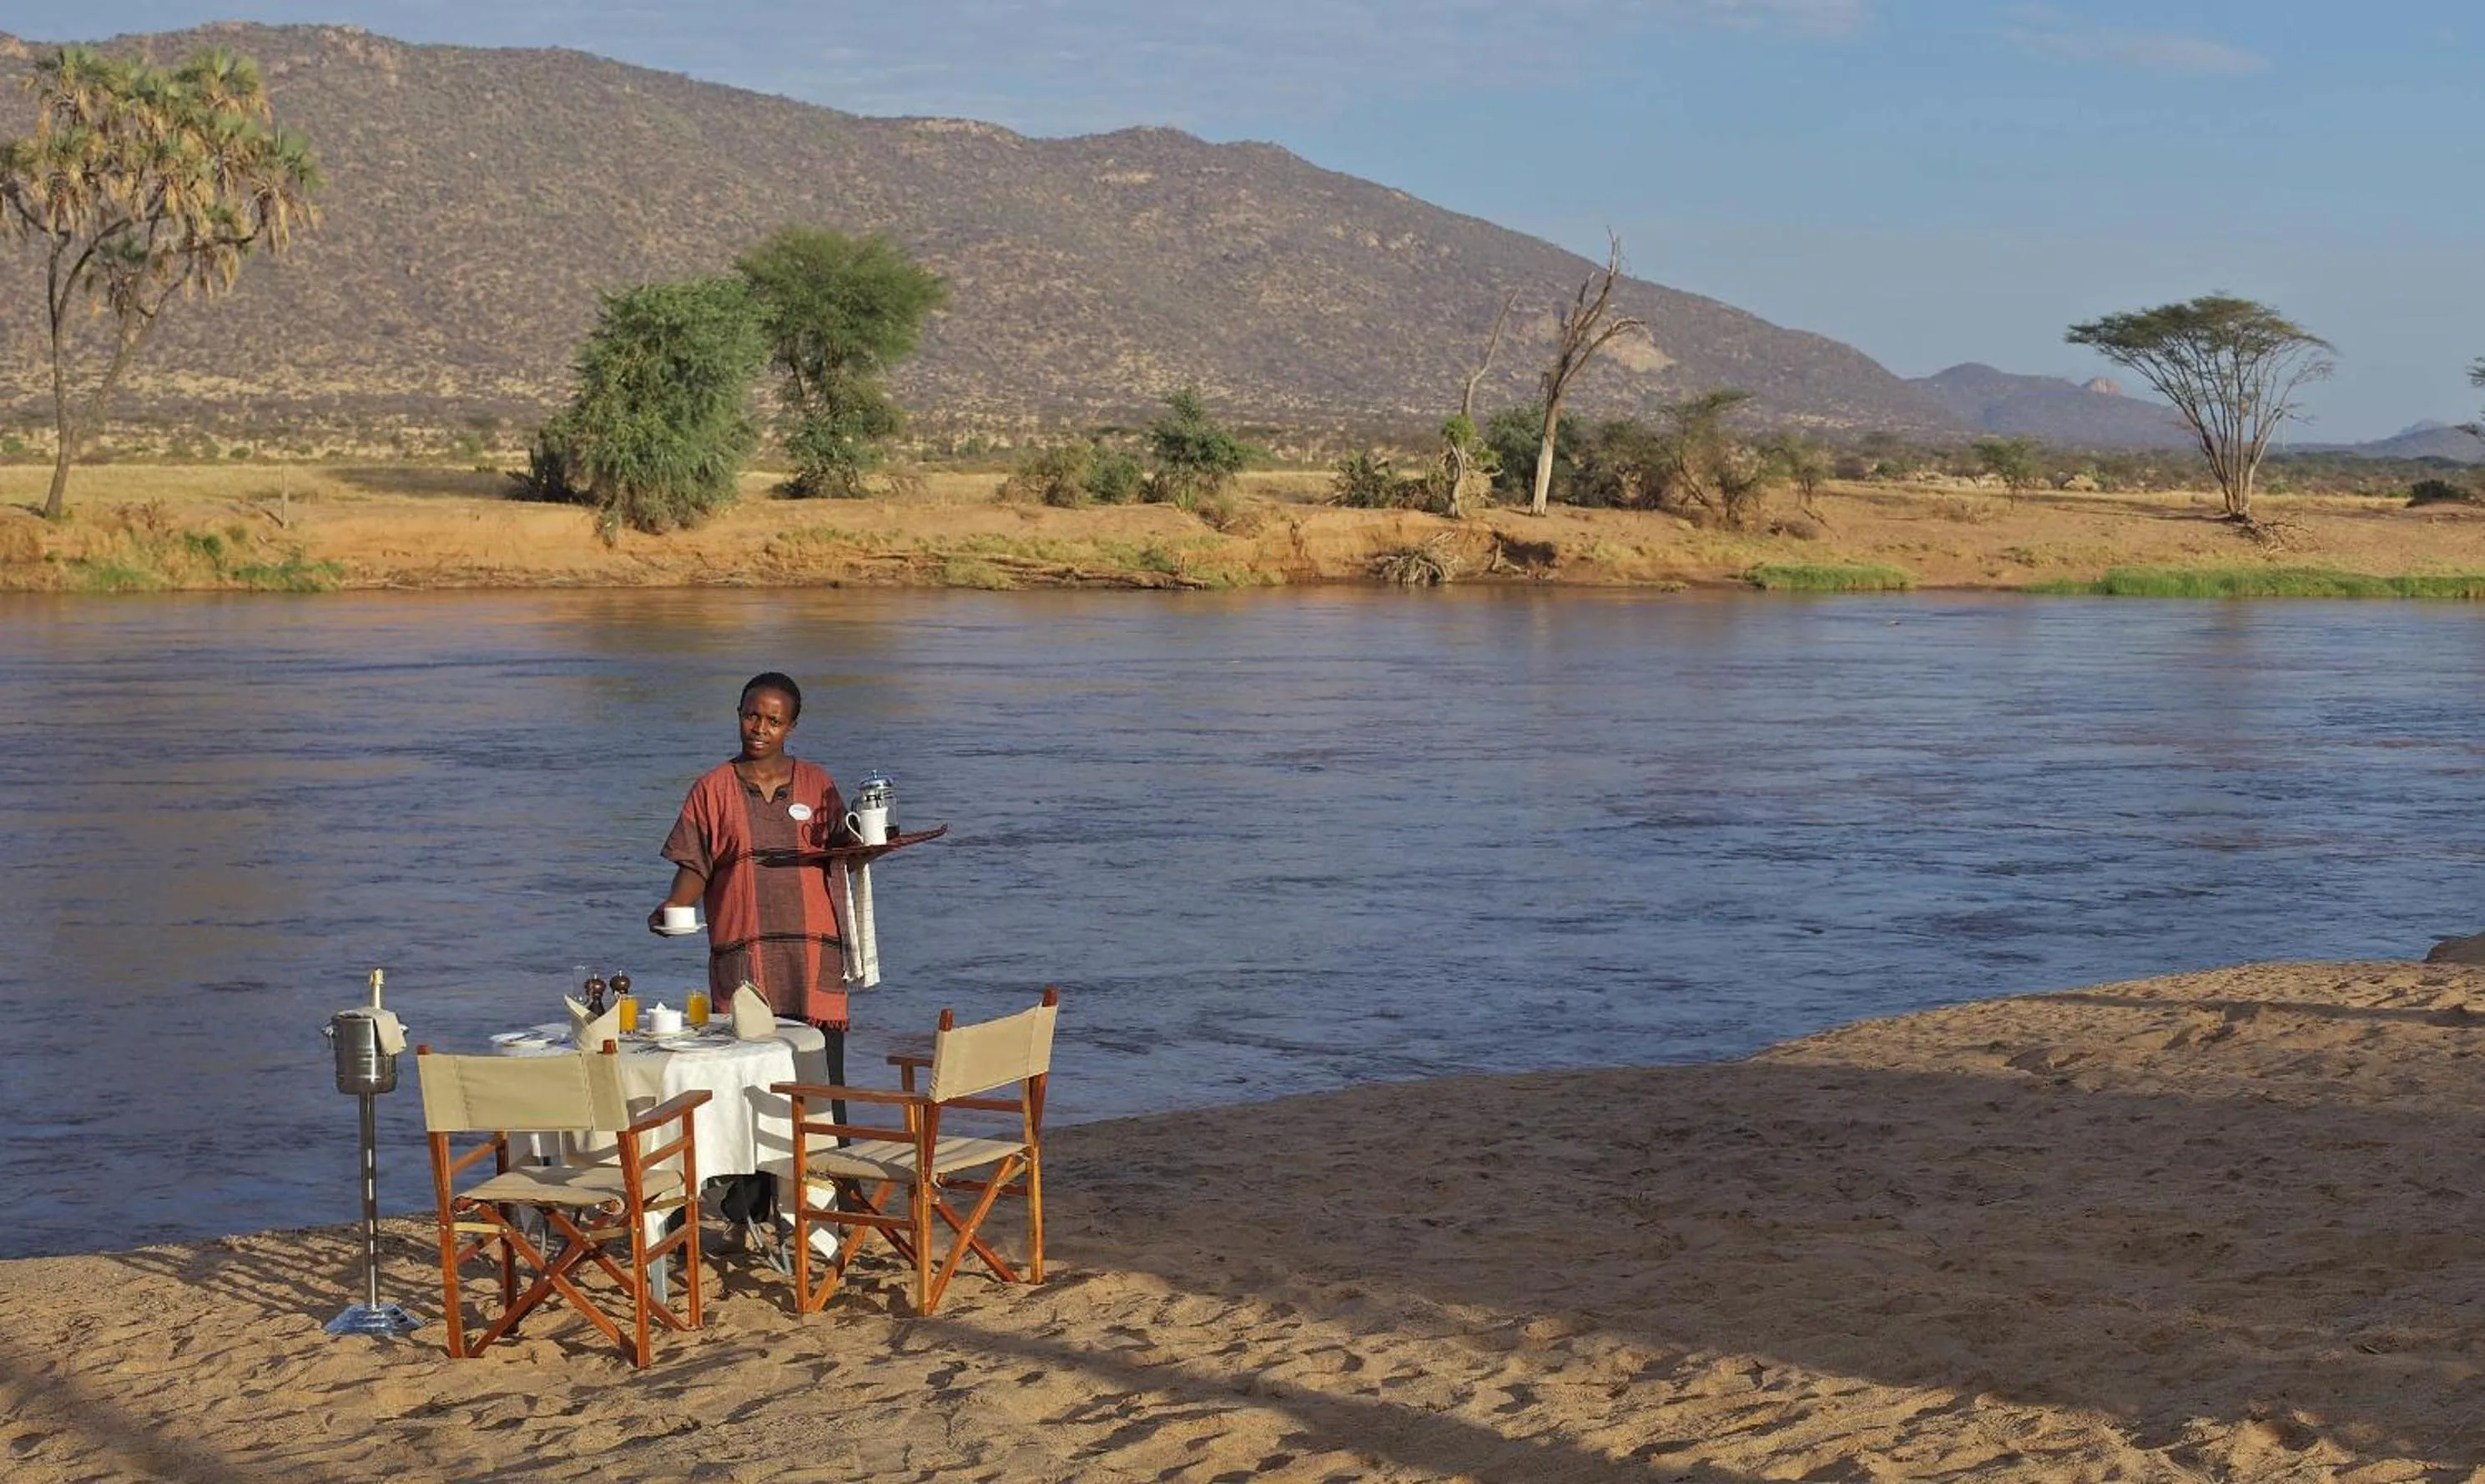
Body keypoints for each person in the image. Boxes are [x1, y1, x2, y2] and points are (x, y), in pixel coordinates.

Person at [650, 672, 850, 1228]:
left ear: (792, 725)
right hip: (744, 962)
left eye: (773, 719)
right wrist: (671, 909)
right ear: (738, 713)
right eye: (751, 715)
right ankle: (751, 1207)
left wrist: (870, 845)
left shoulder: (818, 784)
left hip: (814, 960)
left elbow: (847, 855)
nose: (759, 728)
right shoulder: (712, 788)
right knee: (747, 1086)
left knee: (815, 1086)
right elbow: (695, 867)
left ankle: (824, 1209)